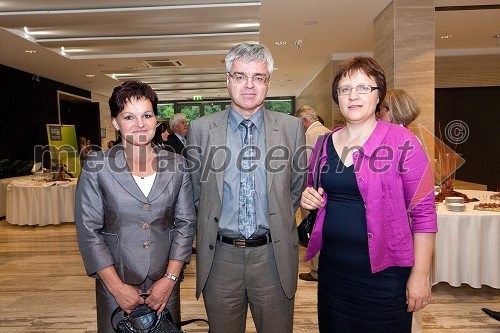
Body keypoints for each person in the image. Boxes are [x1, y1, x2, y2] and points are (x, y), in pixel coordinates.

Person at [300, 56, 437, 332]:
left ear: (378, 96)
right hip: (333, 273)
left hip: (385, 278)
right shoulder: (324, 143)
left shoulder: (402, 142)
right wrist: (309, 198)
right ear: (337, 97)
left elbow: (423, 214)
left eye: (363, 87)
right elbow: (314, 191)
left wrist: (420, 275)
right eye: (345, 88)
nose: (353, 95)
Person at [187, 42, 306, 333]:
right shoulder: (201, 129)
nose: (249, 85)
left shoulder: (292, 128)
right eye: (240, 76)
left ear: (268, 82)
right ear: (228, 80)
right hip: (220, 260)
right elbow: (194, 193)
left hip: (273, 258)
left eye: (258, 77)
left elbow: (294, 188)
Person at [74, 80, 196, 333]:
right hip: (114, 282)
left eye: (147, 115)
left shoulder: (177, 164)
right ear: (116, 123)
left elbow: (185, 224)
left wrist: (170, 279)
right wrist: (116, 287)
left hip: (164, 282)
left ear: (156, 119)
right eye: (129, 116)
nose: (140, 124)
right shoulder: (98, 166)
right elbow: (89, 232)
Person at [294, 105, 331, 282]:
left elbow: (303, 167)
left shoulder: (308, 136)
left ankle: (316, 270)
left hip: (311, 192)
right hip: (329, 191)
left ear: (304, 121)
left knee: (312, 230)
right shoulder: (330, 132)